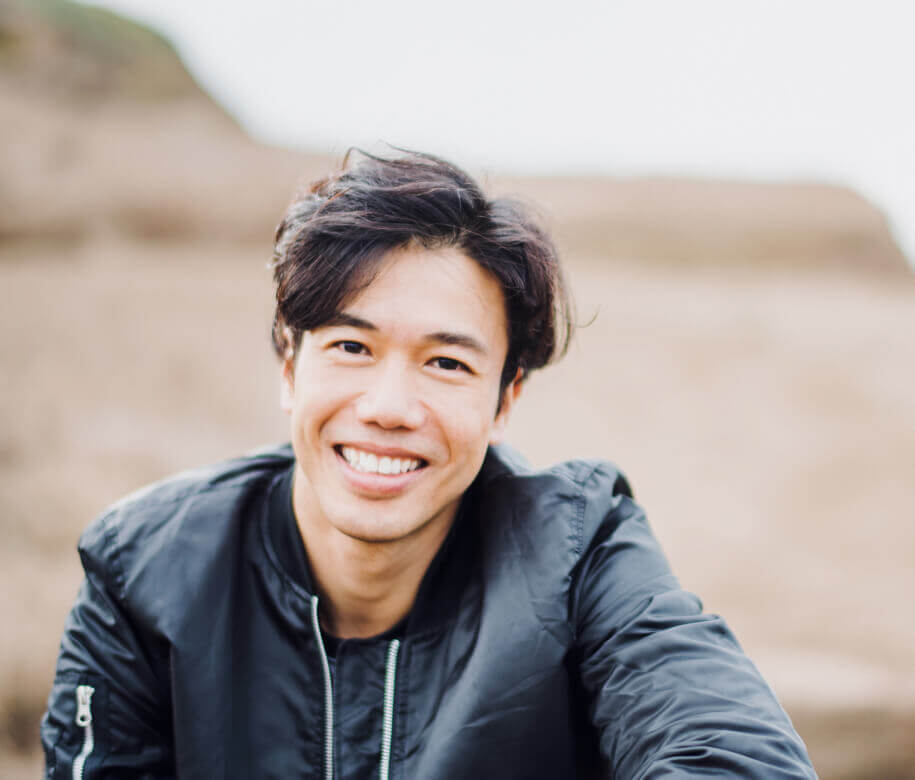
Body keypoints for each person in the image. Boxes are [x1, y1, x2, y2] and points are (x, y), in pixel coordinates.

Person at [42, 150, 816, 778]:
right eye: (352, 347)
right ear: (288, 365)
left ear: (505, 399)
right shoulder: (145, 570)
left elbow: (728, 750)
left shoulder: (576, 550)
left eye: (446, 363)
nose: (389, 407)